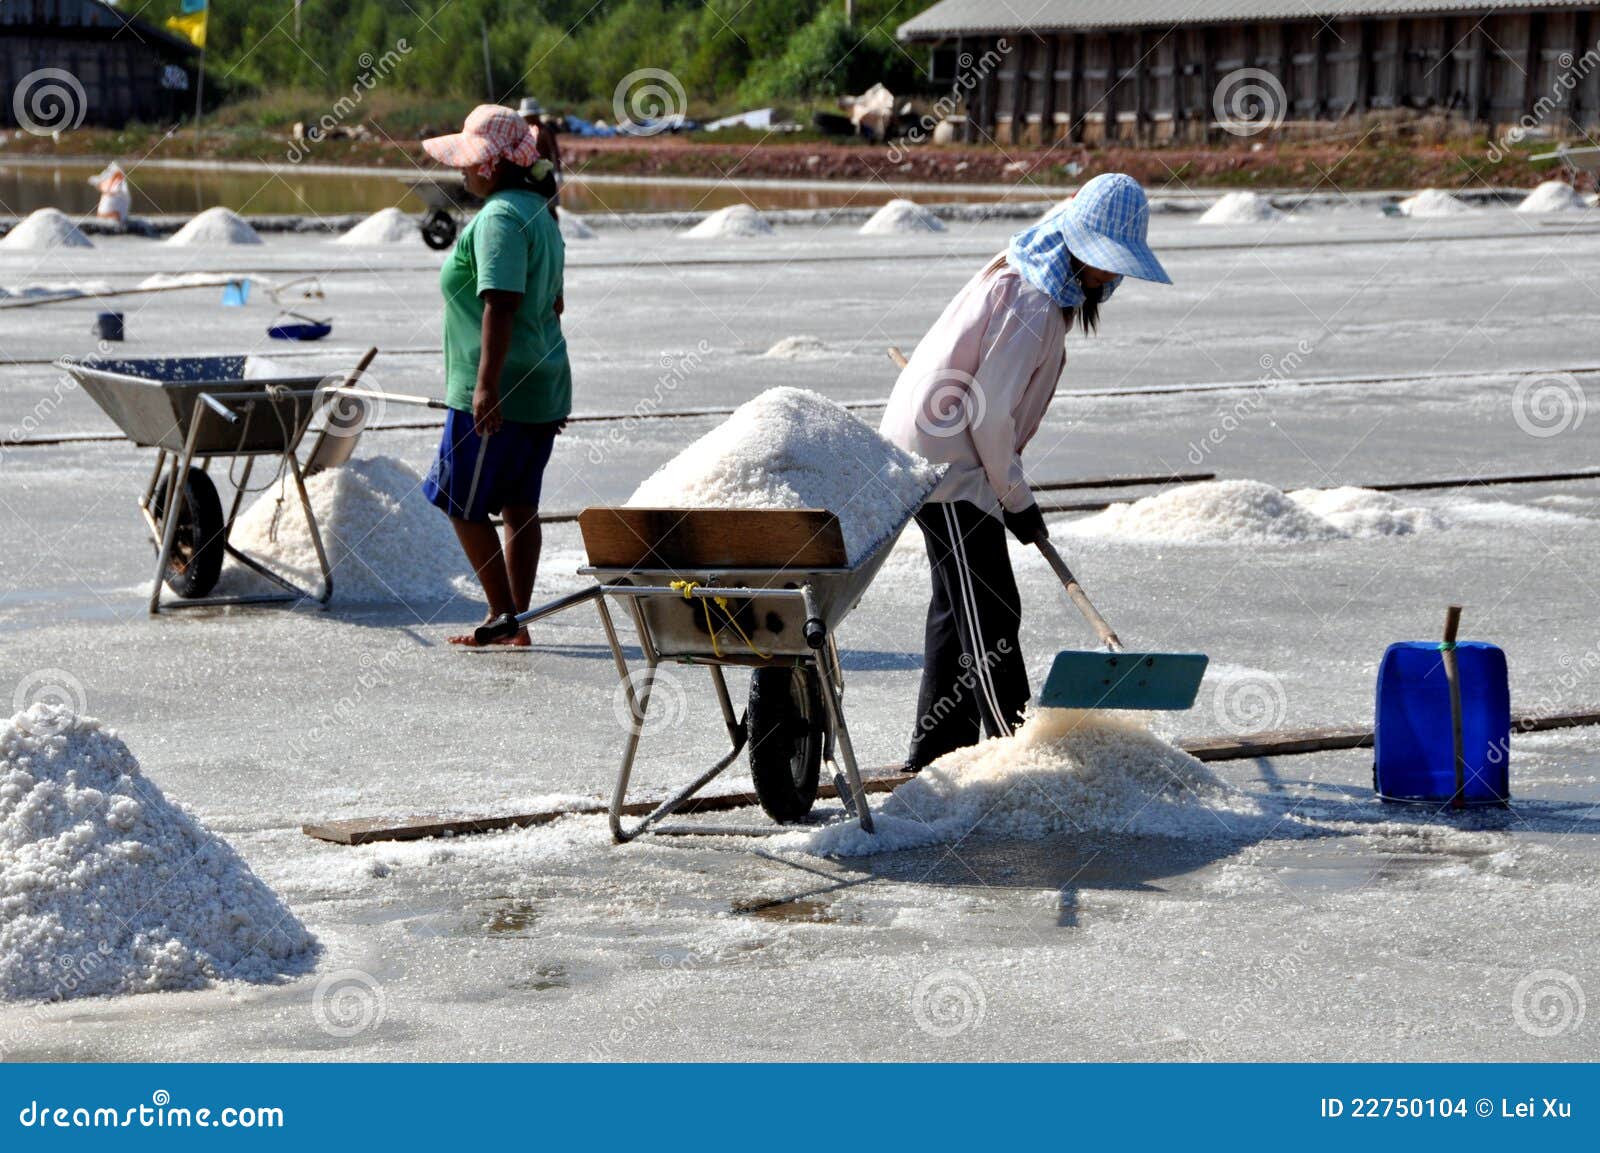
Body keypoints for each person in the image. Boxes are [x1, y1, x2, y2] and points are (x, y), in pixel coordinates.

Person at [879, 173, 1172, 770]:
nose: (1112, 278)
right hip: (946, 467)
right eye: (1107, 265)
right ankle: (1015, 754)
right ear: (1079, 248)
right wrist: (1017, 500)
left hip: (956, 458)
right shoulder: (1033, 302)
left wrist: (1006, 489)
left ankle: (938, 753)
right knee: (991, 609)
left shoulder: (1036, 280)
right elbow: (990, 419)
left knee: (955, 605)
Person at [420, 105, 570, 646]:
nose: (460, 173)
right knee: (518, 506)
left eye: (466, 163)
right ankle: (514, 621)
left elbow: (501, 303)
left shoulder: (501, 218)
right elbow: (554, 306)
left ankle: (503, 616)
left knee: (458, 501)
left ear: (487, 166)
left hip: (498, 391)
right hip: (542, 384)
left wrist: (485, 387)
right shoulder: (539, 211)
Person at [517, 96, 563, 214]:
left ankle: (552, 228)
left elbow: (554, 151)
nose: (526, 119)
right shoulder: (524, 132)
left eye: (528, 117)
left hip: (546, 174)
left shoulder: (545, 131)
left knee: (550, 207)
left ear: (534, 116)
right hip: (529, 175)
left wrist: (558, 172)